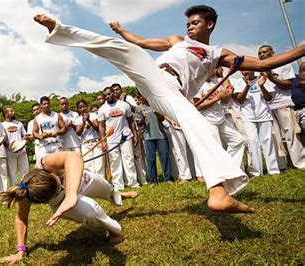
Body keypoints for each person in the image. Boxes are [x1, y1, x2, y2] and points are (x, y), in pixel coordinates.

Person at [34, 4, 304, 212]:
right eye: (188, 23)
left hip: (170, 91)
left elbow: (265, 65)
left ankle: (218, 193)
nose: (189, 27)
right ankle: (59, 30)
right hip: (153, 76)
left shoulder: (218, 54)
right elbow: (141, 43)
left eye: (195, 23)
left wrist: (301, 49)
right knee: (128, 50)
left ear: (209, 25)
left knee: (198, 127)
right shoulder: (177, 40)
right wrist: (121, 32)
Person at [0, 151, 138, 264]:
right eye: (56, 190)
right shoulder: (26, 193)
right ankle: (113, 231)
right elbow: (21, 219)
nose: (60, 186)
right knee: (90, 212)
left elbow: (74, 156)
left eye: (57, 181)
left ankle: (120, 195)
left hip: (83, 181)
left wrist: (71, 193)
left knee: (109, 190)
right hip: (63, 205)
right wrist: (21, 250)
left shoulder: (46, 162)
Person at [259, 45, 305, 169]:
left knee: (291, 135)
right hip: (269, 107)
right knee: (276, 137)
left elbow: (288, 85)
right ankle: (282, 164)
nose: (261, 55)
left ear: (272, 53)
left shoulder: (284, 65)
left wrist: (271, 77)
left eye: (264, 52)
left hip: (283, 104)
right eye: (259, 53)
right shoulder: (261, 70)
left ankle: (300, 163)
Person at [194, 67, 246, 172]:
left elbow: (224, 102)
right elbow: (197, 106)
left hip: (221, 118)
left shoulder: (216, 82)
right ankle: (220, 175)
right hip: (208, 121)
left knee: (238, 141)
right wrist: (217, 97)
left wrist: (227, 95)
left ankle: (231, 169)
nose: (218, 69)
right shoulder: (198, 84)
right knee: (217, 149)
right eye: (215, 67)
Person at [233, 71, 279, 176]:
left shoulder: (262, 79)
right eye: (242, 70)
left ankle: (274, 170)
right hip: (247, 117)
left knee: (267, 141)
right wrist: (247, 86)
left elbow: (269, 98)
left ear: (253, 69)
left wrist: (261, 86)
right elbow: (240, 100)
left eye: (247, 69)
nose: (244, 72)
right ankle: (256, 172)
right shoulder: (239, 82)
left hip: (264, 115)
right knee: (252, 142)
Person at [98, 87, 139, 190]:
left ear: (113, 93)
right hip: (111, 139)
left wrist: (135, 134)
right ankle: (118, 185)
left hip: (125, 136)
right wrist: (103, 141)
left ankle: (133, 183)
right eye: (105, 95)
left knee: (129, 159)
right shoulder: (102, 109)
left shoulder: (124, 105)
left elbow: (131, 121)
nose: (108, 96)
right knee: (115, 161)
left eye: (109, 94)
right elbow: (101, 126)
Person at [135, 94, 173, 184]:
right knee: (150, 159)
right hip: (148, 137)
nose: (145, 96)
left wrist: (156, 112)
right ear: (140, 97)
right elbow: (139, 124)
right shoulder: (139, 108)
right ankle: (153, 181)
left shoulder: (156, 105)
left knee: (164, 157)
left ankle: (168, 178)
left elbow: (162, 118)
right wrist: (143, 117)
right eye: (142, 95)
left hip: (161, 135)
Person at [74, 99, 104, 176]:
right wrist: (84, 122)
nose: (82, 109)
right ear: (78, 109)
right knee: (89, 165)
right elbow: (78, 133)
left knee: (99, 163)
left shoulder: (93, 115)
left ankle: (102, 184)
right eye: (80, 107)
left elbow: (97, 128)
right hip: (85, 144)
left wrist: (89, 120)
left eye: (84, 106)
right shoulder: (78, 120)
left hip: (96, 142)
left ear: (86, 107)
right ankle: (94, 183)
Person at [3, 107, 30, 185]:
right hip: (10, 152)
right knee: (12, 172)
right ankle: (15, 189)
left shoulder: (19, 123)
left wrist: (22, 142)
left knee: (25, 171)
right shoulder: (2, 125)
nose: (14, 112)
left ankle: (25, 187)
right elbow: (3, 139)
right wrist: (8, 145)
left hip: (22, 150)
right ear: (6, 114)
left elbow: (24, 135)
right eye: (11, 111)